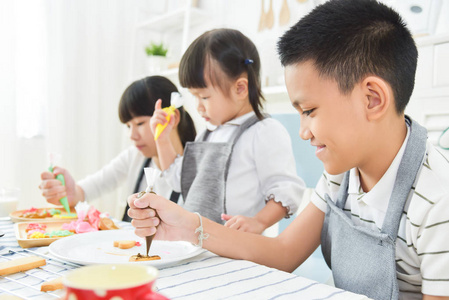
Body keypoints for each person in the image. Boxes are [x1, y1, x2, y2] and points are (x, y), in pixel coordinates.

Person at [128, 0, 449, 299]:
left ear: (372, 99)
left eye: (309, 111)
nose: (302, 132)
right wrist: (188, 226)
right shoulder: (342, 174)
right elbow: (283, 252)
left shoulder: (438, 202)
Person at [149, 28, 305, 234]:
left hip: (239, 249)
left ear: (240, 89)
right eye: (194, 97)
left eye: (204, 97)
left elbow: (286, 189)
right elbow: (178, 180)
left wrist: (258, 222)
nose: (198, 106)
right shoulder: (208, 134)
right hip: (199, 244)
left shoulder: (264, 132)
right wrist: (162, 139)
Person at [39, 76, 196, 221]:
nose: (132, 135)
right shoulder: (136, 156)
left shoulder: (199, 166)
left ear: (172, 118)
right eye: (128, 126)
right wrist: (72, 192)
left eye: (140, 123)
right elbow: (88, 190)